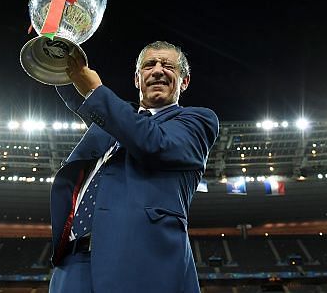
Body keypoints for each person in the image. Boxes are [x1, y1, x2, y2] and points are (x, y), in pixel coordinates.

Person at [48, 40, 219, 293]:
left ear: (184, 81)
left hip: (142, 264)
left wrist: (96, 90)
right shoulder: (116, 121)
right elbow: (78, 94)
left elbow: (153, 143)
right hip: (72, 264)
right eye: (149, 65)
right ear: (137, 79)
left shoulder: (197, 121)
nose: (158, 70)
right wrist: (54, 42)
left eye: (168, 66)